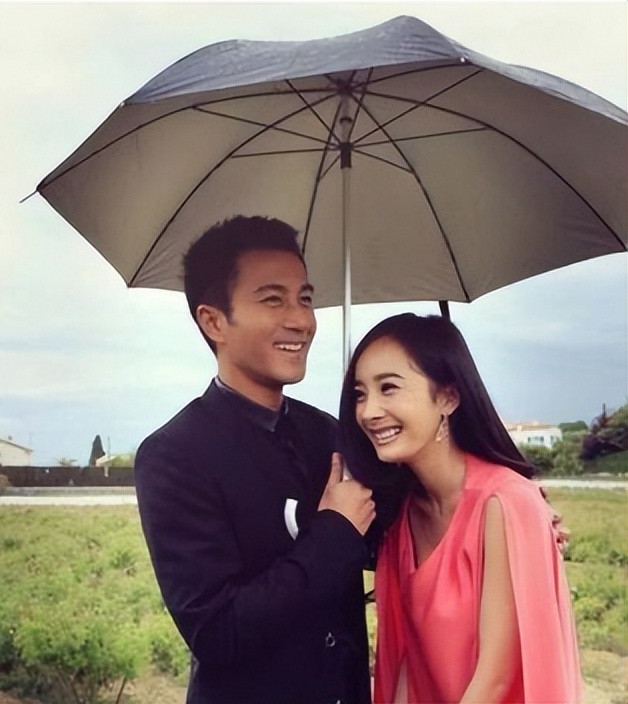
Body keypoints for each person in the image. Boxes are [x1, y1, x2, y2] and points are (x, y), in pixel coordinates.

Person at [134, 215, 375, 704]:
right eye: (273, 299)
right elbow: (218, 632)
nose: (301, 320)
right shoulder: (174, 456)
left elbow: (391, 539)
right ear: (213, 321)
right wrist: (334, 532)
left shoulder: (329, 433)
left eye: (305, 298)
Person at [338, 313, 582, 703]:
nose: (368, 412)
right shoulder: (400, 517)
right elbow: (409, 665)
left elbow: (495, 678)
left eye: (389, 388)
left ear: (448, 398)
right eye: (360, 394)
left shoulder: (505, 502)